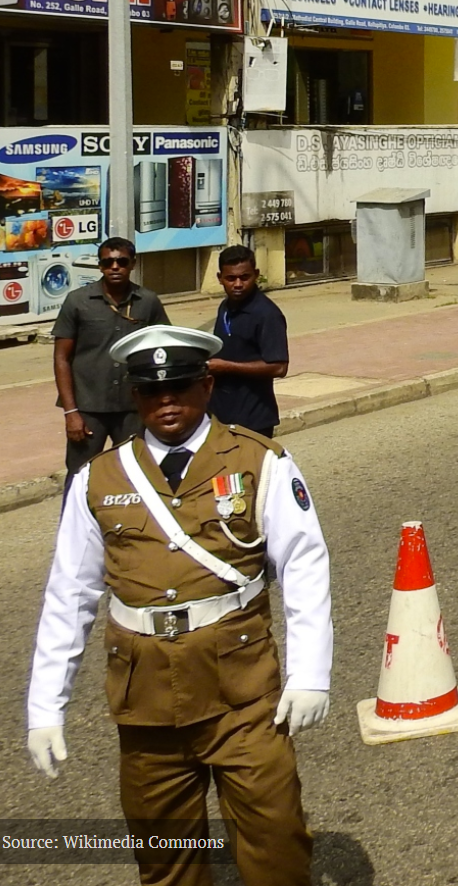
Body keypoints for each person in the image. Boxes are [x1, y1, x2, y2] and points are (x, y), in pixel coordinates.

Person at [27, 324, 334, 886]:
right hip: (145, 704)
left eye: (180, 387)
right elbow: (69, 593)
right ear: (134, 397)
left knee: (277, 847)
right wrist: (46, 705)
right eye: (150, 391)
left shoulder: (259, 461)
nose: (166, 401)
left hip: (243, 695)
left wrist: (310, 673)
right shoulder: (99, 478)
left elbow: (305, 564)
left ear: (206, 388)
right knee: (167, 865)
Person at [52, 237, 170, 484]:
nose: (114, 267)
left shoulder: (148, 301)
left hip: (133, 408)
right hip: (87, 409)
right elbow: (62, 358)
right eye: (108, 262)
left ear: (133, 264)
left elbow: (163, 349)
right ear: (100, 266)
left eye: (121, 261)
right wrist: (71, 412)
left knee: (136, 475)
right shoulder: (78, 301)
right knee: (80, 477)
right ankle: (75, 523)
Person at [208, 245, 289, 438]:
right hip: (220, 416)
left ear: (256, 275)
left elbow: (279, 367)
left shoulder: (267, 314)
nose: (237, 284)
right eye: (230, 278)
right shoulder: (225, 307)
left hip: (253, 420)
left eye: (244, 277)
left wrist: (227, 367)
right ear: (220, 278)